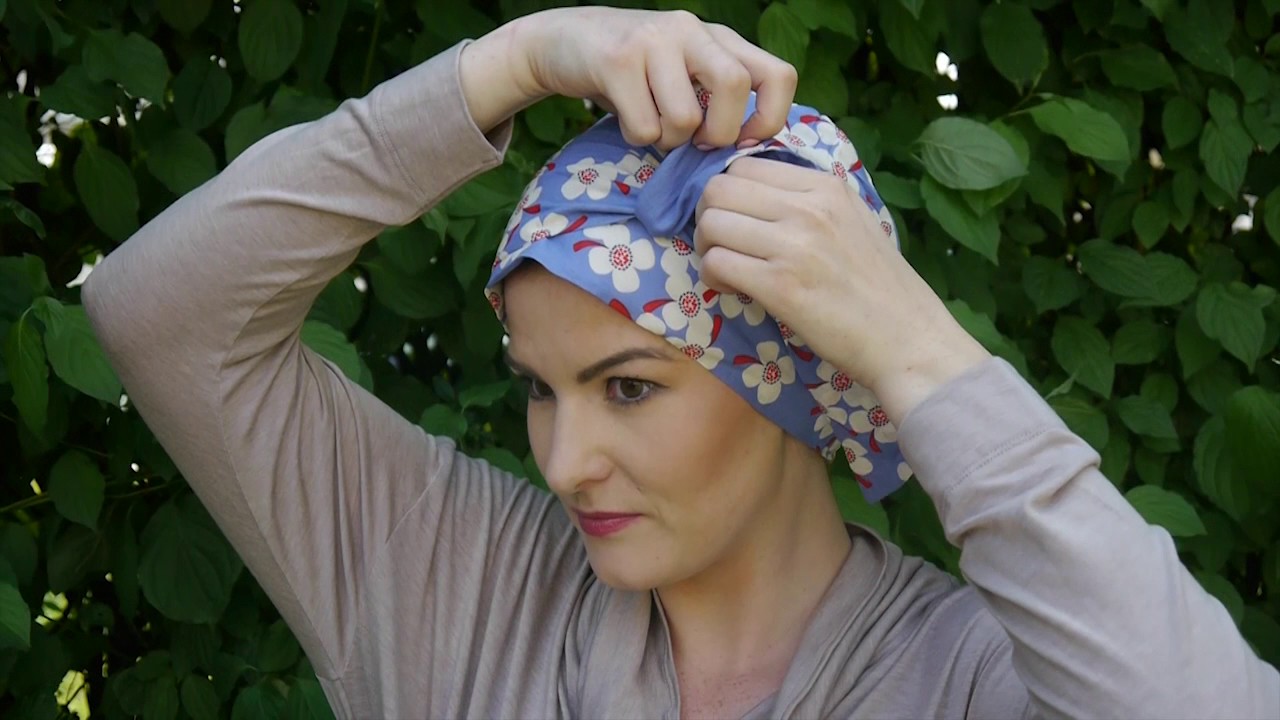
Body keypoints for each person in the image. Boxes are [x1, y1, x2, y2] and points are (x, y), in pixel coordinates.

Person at [82, 6, 1278, 719]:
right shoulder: (459, 590)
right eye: (539, 388)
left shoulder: (967, 680)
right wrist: (518, 57)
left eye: (628, 387)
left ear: (798, 374)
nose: (565, 463)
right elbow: (158, 314)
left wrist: (914, 347)